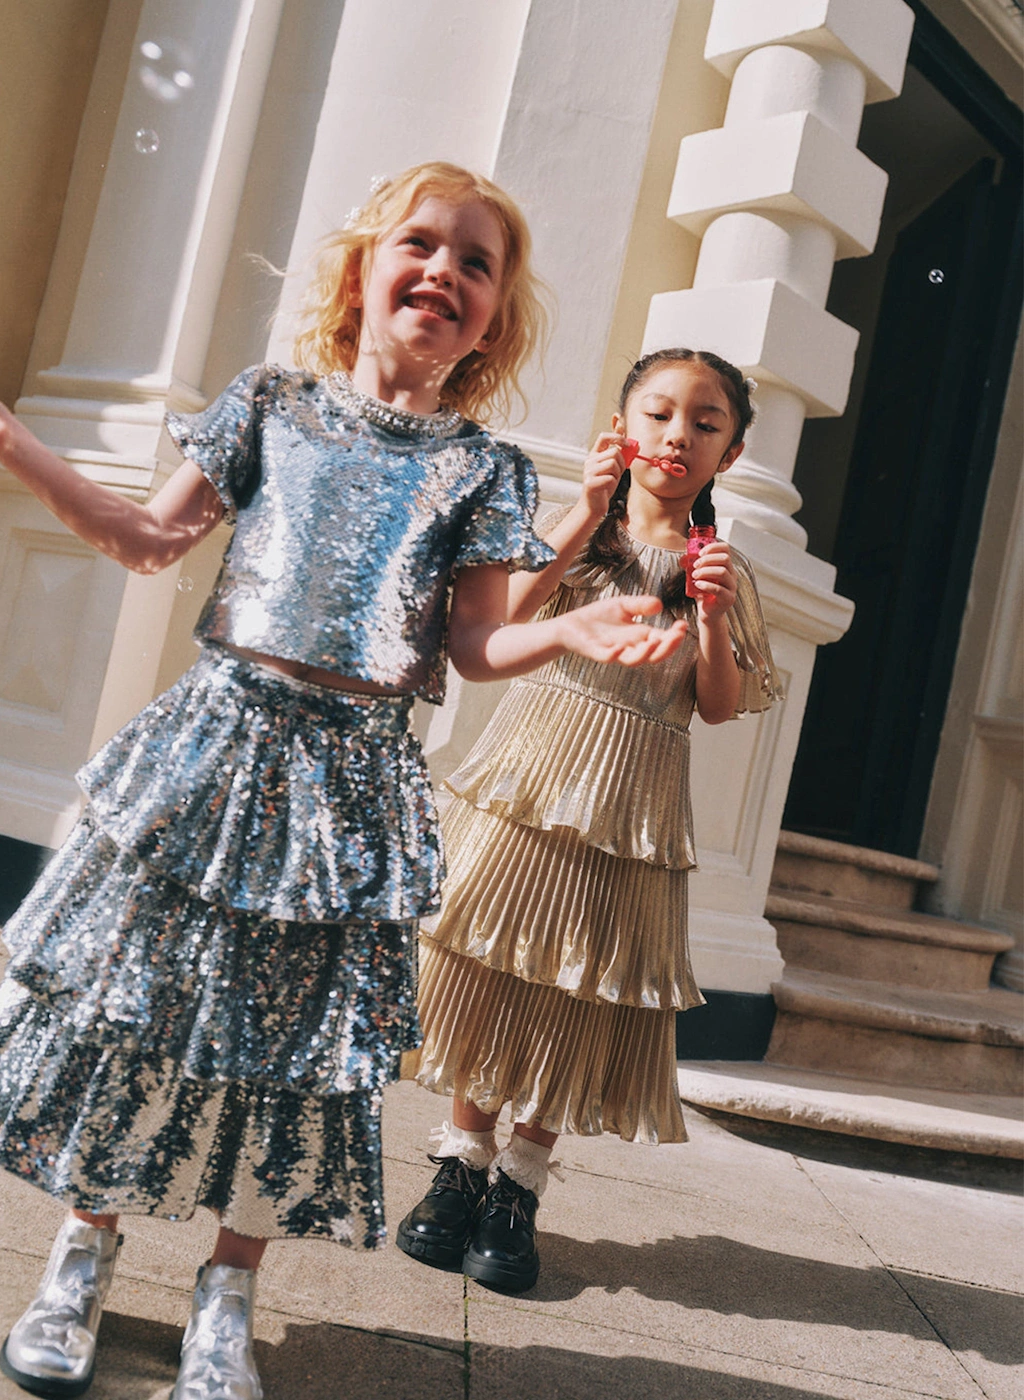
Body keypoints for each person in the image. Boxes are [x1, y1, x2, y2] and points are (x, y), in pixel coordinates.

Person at [0, 164, 688, 1400]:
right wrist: (10, 438)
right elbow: (149, 539)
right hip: (217, 746)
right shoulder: (270, 403)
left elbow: (474, 644)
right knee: (144, 1005)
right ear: (363, 272)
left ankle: (228, 1291)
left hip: (355, 778)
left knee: (299, 1044)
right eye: (422, 244)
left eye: (477, 263)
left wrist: (570, 632)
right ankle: (83, 1249)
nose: (445, 271)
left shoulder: (483, 469)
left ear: (494, 318)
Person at [396, 348, 783, 1294]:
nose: (677, 437)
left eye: (705, 423)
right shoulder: (582, 542)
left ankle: (521, 1180)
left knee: (581, 980)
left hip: (633, 802)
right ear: (623, 429)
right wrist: (579, 511)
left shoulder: (718, 568)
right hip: (534, 778)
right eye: (658, 414)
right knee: (495, 960)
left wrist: (715, 616)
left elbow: (720, 704)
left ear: (729, 455)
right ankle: (461, 1162)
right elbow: (502, 628)